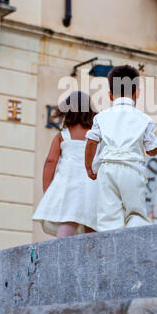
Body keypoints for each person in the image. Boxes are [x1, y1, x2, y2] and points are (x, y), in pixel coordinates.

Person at [85, 65, 157, 232]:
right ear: (137, 93)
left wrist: (89, 167)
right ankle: (135, 250)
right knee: (136, 214)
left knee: (108, 216)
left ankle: (110, 253)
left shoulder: (101, 117)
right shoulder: (145, 119)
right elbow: (152, 149)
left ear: (110, 95)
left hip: (107, 168)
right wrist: (154, 147)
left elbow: (91, 142)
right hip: (132, 168)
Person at [33, 91, 98, 238]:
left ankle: (61, 256)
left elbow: (50, 162)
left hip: (69, 187)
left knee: (68, 223)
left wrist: (47, 191)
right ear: (90, 112)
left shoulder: (62, 136)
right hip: (93, 185)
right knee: (92, 226)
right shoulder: (95, 134)